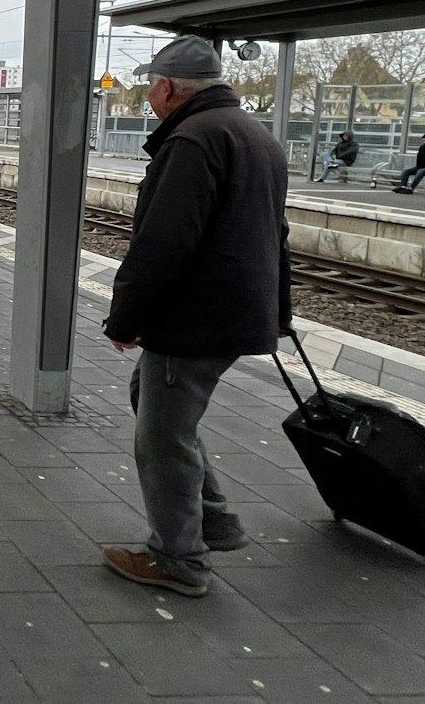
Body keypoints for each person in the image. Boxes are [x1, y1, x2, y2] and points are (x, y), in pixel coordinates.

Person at [101, 35, 290, 599]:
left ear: (166, 88)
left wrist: (125, 318)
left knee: (161, 437)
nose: (150, 99)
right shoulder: (256, 135)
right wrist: (280, 312)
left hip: (195, 318)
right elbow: (276, 236)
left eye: (150, 89)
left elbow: (162, 243)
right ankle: (213, 517)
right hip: (235, 311)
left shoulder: (191, 139)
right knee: (153, 398)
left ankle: (178, 560)